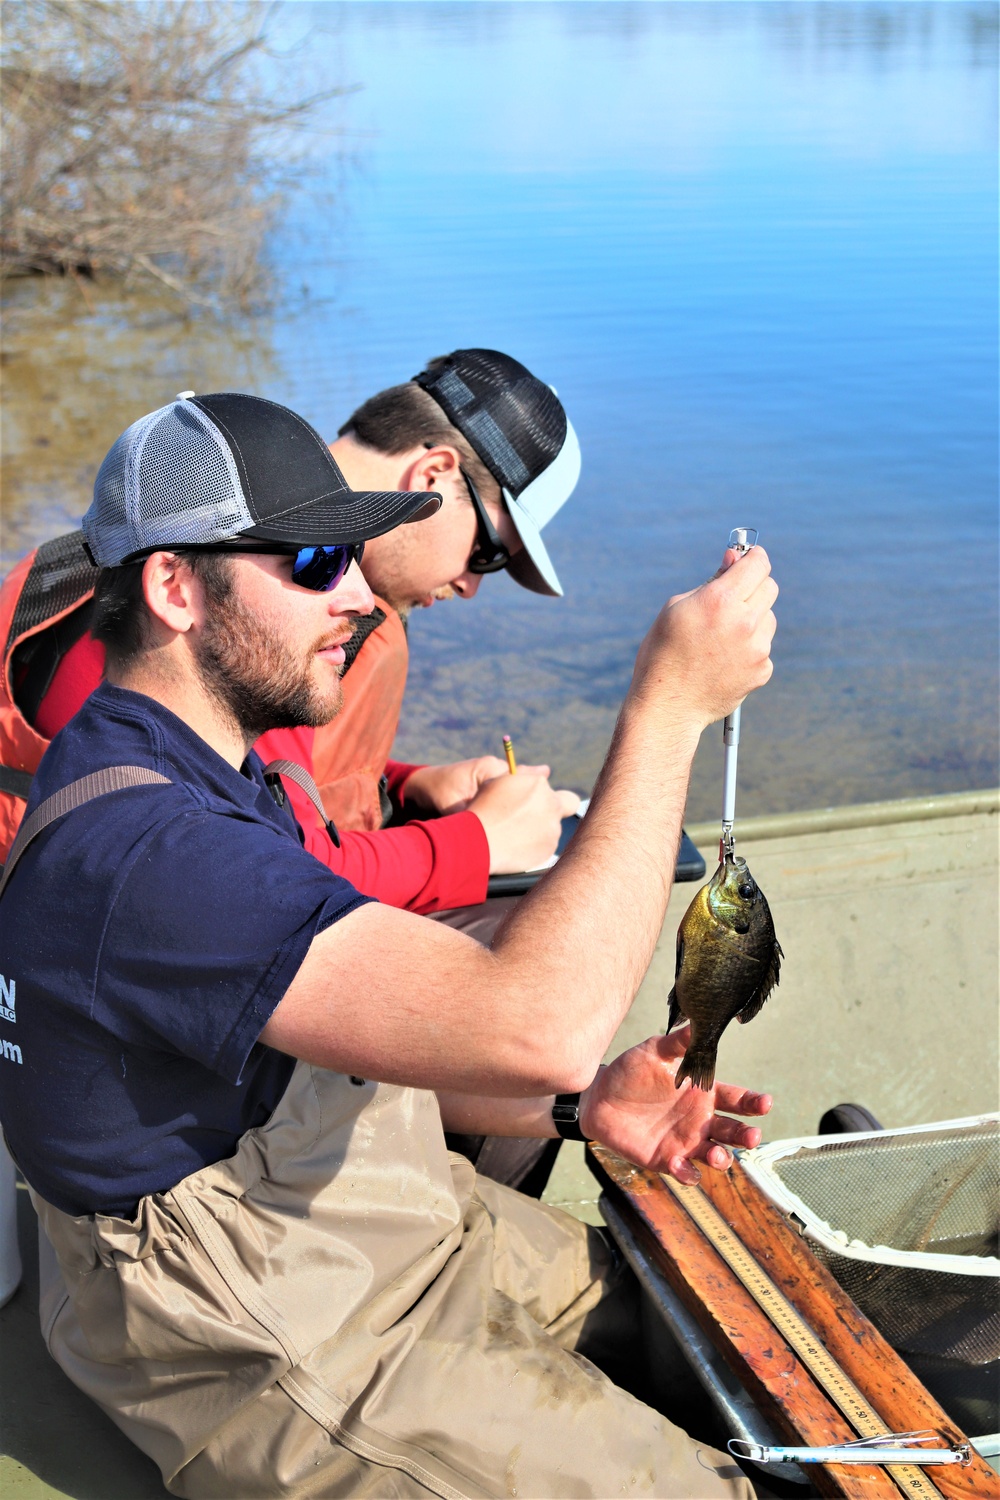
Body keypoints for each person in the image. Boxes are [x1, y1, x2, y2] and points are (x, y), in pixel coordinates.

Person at [0, 391, 777, 1498]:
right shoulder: (148, 852)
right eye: (316, 560)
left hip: (382, 1230)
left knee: (724, 1322)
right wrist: (666, 710)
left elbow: (361, 1036)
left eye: (358, 557)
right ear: (175, 587)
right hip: (283, 1345)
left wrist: (581, 1112)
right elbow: (539, 1026)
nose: (362, 599)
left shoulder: (218, 762)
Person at [0, 350, 582, 918]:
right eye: (487, 552)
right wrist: (479, 843)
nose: (471, 586)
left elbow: (249, 767)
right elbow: (272, 869)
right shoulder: (277, 615)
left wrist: (409, 784)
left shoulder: (120, 535)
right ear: (432, 474)